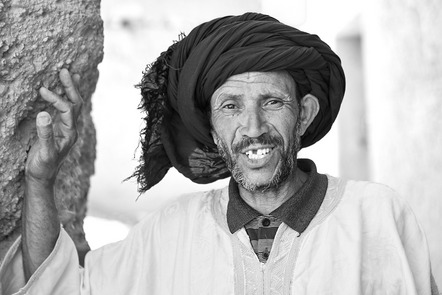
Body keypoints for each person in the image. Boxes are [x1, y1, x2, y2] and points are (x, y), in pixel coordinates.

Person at [0, 13, 438, 295]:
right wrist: (40, 179)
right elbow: (58, 290)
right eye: (231, 107)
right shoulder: (174, 233)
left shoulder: (377, 217)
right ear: (212, 128)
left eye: (272, 102)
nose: (253, 128)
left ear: (303, 115)